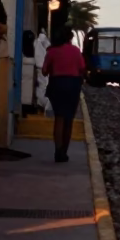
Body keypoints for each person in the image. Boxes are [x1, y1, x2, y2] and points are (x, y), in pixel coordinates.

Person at [42, 26, 86, 163]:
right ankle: (64, 152)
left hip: (57, 85)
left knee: (59, 119)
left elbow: (44, 71)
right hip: (73, 85)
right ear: (69, 38)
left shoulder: (52, 52)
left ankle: (58, 151)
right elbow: (82, 69)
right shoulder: (76, 51)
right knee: (69, 120)